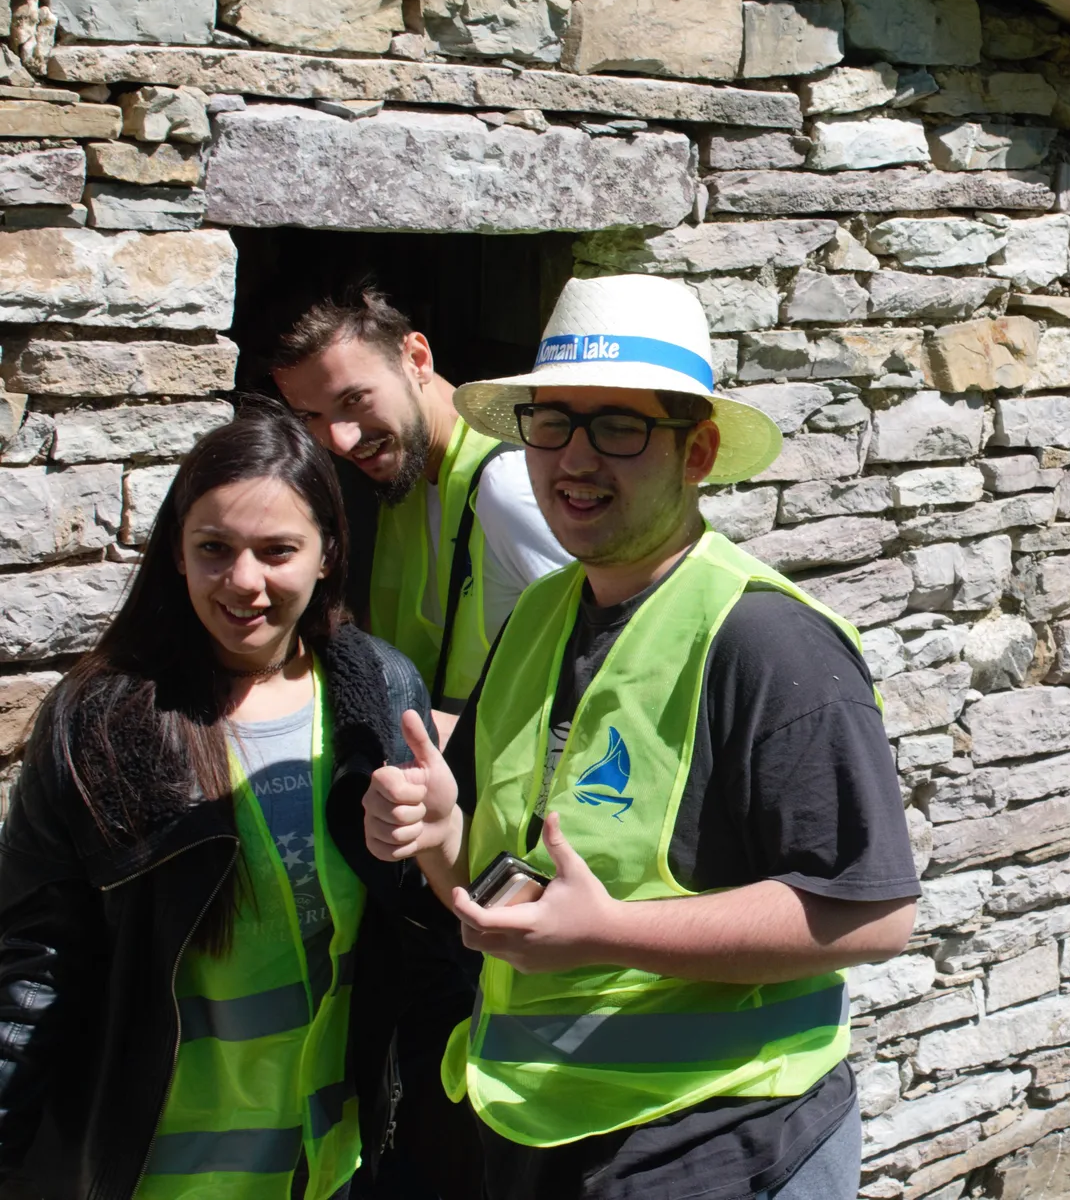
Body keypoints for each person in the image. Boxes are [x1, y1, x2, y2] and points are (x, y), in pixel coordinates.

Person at [363, 274, 921, 1200]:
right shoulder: (542, 612)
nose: (574, 460)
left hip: (724, 1148)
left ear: (697, 452)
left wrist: (609, 933)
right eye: (554, 423)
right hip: (531, 1135)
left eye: (619, 427)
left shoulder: (768, 641)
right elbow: (507, 879)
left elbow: (872, 912)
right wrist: (436, 836)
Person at [0, 404, 464, 1198]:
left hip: (329, 1165)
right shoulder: (103, 725)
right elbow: (31, 965)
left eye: (277, 550)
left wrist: (445, 833)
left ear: (326, 555)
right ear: (176, 557)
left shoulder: (378, 693)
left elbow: (422, 938)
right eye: (214, 550)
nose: (243, 582)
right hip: (154, 1170)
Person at [266, 284, 571, 731]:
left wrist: (466, 740)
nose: (340, 441)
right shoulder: (407, 479)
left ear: (417, 360)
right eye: (311, 417)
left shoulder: (508, 484)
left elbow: (613, 656)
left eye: (354, 400)